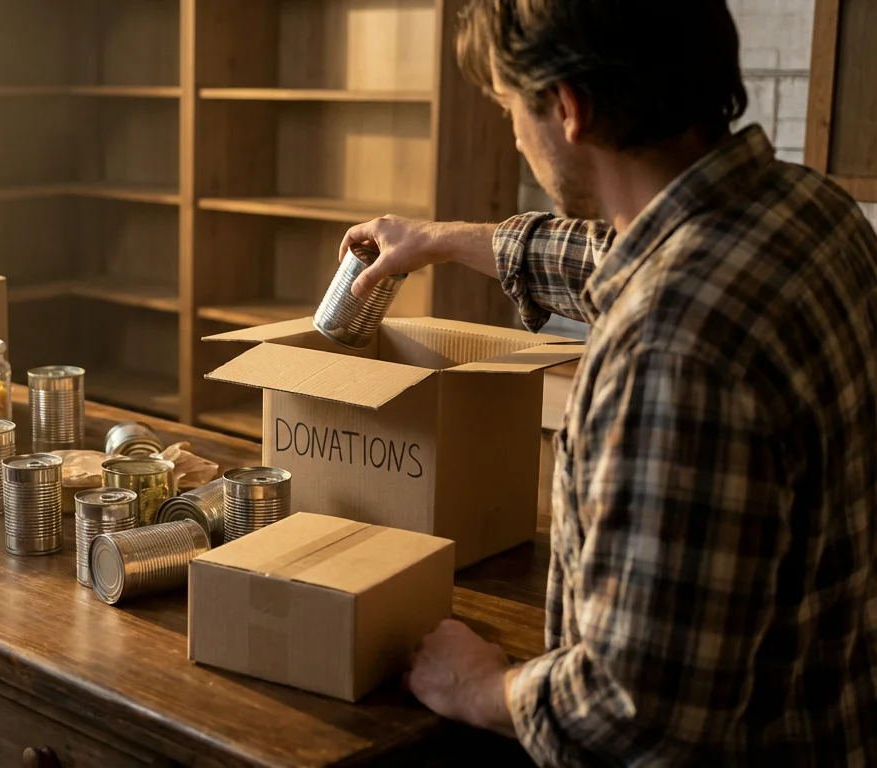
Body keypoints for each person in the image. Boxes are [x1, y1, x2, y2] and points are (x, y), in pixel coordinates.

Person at [339, 1, 877, 765]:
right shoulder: (810, 212)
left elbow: (635, 713)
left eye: (507, 107)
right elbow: (621, 252)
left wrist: (483, 685)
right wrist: (441, 241)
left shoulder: (670, 349)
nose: (516, 136)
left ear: (567, 110)